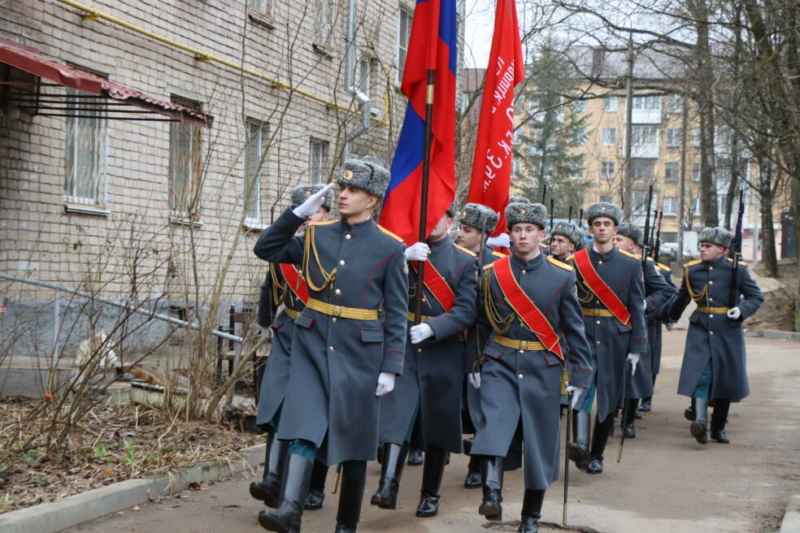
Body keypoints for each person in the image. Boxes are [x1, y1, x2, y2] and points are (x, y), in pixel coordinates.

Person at [253, 160, 408, 533]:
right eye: (342, 187)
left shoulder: (389, 247)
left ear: (371, 199)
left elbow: (398, 313)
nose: (343, 194)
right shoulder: (314, 235)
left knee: (354, 443)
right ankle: (290, 511)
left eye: (352, 191)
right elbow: (266, 249)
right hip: (311, 341)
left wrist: (391, 366)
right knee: (304, 425)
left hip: (360, 351)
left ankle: (346, 524)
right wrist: (296, 215)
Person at [470, 202, 593, 533]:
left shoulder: (562, 275)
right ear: (509, 234)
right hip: (500, 361)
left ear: (542, 235)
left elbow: (573, 329)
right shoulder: (492, 274)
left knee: (539, 444)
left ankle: (531, 517)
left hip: (543, 366)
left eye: (529, 230)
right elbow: (480, 324)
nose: (522, 235)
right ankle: (492, 495)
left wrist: (580, 375)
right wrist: (476, 362)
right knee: (493, 426)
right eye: (517, 229)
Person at [372, 205, 478, 517]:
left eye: (437, 217)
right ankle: (388, 484)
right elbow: (373, 287)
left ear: (450, 221)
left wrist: (434, 327)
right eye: (425, 216)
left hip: (443, 350)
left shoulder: (464, 261)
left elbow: (467, 310)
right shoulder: (400, 253)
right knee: (397, 413)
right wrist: (400, 259)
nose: (430, 222)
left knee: (438, 425)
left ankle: (430, 493)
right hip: (403, 341)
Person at [250, 185, 333, 511]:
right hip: (289, 333)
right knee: (278, 406)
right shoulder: (290, 249)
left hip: (325, 338)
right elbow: (271, 284)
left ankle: (315, 485)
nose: (309, 218)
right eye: (304, 213)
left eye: (315, 211)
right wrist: (266, 321)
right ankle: (272, 480)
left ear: (328, 214)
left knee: (317, 414)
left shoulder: (338, 247)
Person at [566, 202, 647, 475]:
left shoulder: (630, 265)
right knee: (582, 387)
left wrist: (637, 346)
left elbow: (636, 307)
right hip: (583, 333)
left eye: (607, 224)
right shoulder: (575, 262)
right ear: (590, 229)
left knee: (609, 399)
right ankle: (579, 443)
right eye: (597, 224)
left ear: (615, 230)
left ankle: (597, 454)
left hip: (616, 337)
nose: (601, 228)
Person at [668, 228, 763, 445]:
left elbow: (755, 297)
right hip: (700, 326)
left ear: (722, 250)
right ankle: (700, 422)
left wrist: (741, 310)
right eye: (702, 245)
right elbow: (682, 298)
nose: (702, 249)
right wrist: (671, 316)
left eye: (708, 246)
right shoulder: (692, 270)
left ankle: (718, 427)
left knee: (725, 378)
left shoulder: (737, 271)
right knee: (700, 374)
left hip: (727, 329)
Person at [455, 203, 505, 489]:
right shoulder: (451, 257)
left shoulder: (497, 266)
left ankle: (476, 465)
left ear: (483, 235)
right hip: (449, 344)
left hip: (481, 346)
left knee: (481, 409)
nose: (460, 234)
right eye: (460, 228)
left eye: (467, 230)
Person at [612, 223, 675, 438]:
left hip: (636, 325)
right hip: (611, 326)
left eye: (619, 240)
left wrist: (645, 304)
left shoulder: (643, 265)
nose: (614, 243)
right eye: (614, 239)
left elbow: (667, 290)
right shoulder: (603, 263)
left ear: (633, 245)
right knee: (611, 376)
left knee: (633, 376)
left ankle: (628, 420)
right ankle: (609, 418)